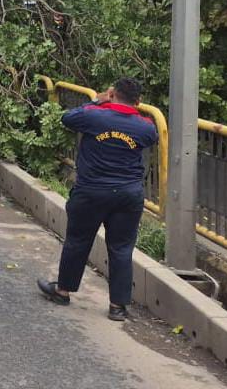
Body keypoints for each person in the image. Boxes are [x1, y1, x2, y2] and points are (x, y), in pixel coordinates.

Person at [38, 77, 158, 321]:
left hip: (91, 191)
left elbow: (67, 118)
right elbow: (150, 139)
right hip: (127, 194)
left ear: (111, 93)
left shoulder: (93, 115)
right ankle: (117, 306)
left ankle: (63, 291)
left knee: (78, 241)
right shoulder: (145, 126)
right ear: (139, 102)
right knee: (122, 248)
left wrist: (97, 99)